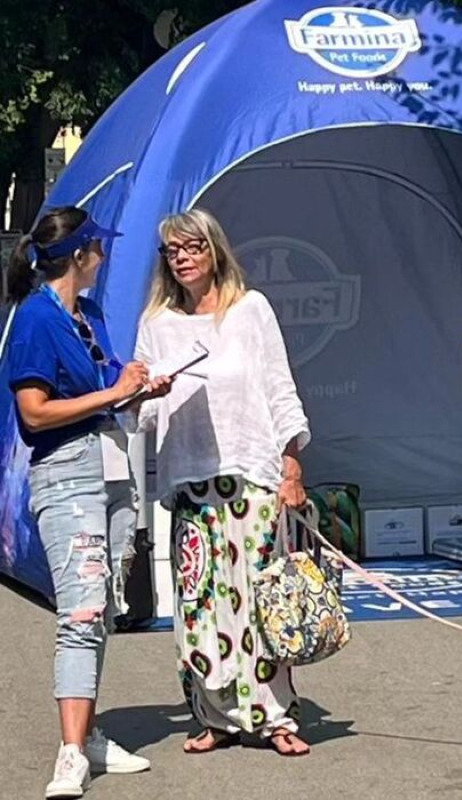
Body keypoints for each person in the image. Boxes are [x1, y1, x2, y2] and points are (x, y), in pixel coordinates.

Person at [134, 208, 313, 755]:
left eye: (192, 247)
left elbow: (279, 386)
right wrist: (146, 393)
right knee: (199, 604)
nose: (183, 258)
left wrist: (291, 463)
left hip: (252, 477)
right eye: (173, 251)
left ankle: (273, 716)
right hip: (191, 484)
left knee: (259, 602)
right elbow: (135, 410)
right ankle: (214, 715)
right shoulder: (157, 323)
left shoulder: (250, 310)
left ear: (215, 252)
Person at [6, 207, 167, 798]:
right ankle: (70, 753)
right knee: (79, 609)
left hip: (111, 464)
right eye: (97, 247)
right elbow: (34, 412)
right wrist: (114, 391)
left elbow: (108, 390)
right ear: (78, 255)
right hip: (68, 471)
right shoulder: (34, 321)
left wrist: (137, 387)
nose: (103, 255)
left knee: (102, 605)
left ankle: (90, 734)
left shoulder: (88, 315)